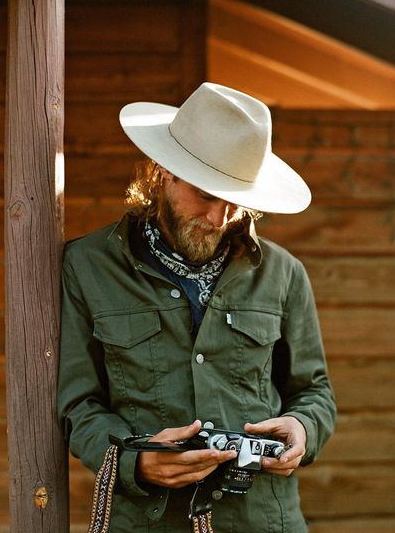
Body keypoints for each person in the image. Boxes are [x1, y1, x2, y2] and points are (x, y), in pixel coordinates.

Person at [58, 82, 336, 533]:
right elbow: (77, 405)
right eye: (206, 195)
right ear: (164, 171)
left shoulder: (285, 274)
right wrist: (136, 461)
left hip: (264, 520)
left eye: (236, 201)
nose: (219, 217)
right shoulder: (87, 267)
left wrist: (302, 427)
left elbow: (314, 391)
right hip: (146, 520)